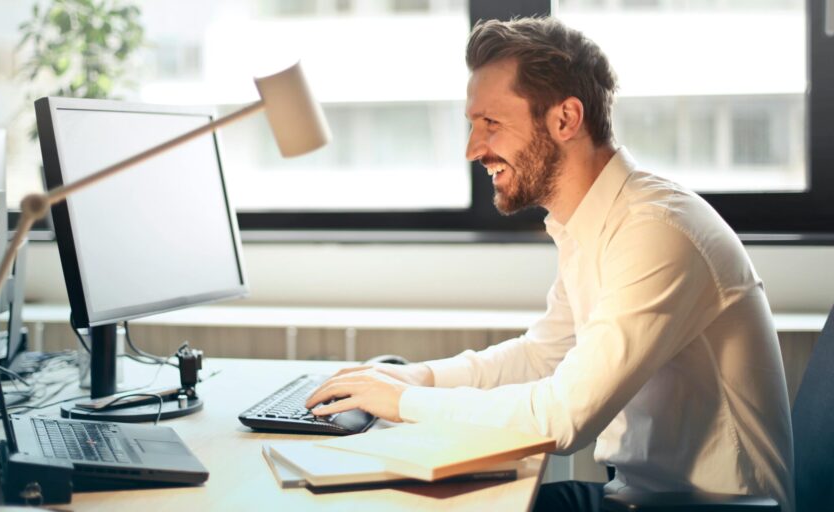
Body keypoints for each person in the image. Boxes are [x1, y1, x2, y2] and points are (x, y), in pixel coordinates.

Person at [306, 16, 795, 512]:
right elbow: (543, 355)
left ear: (565, 119)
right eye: (473, 125)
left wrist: (403, 405)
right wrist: (418, 379)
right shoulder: (592, 222)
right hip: (637, 498)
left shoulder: (657, 232)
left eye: (491, 124)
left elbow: (564, 418)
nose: (473, 149)